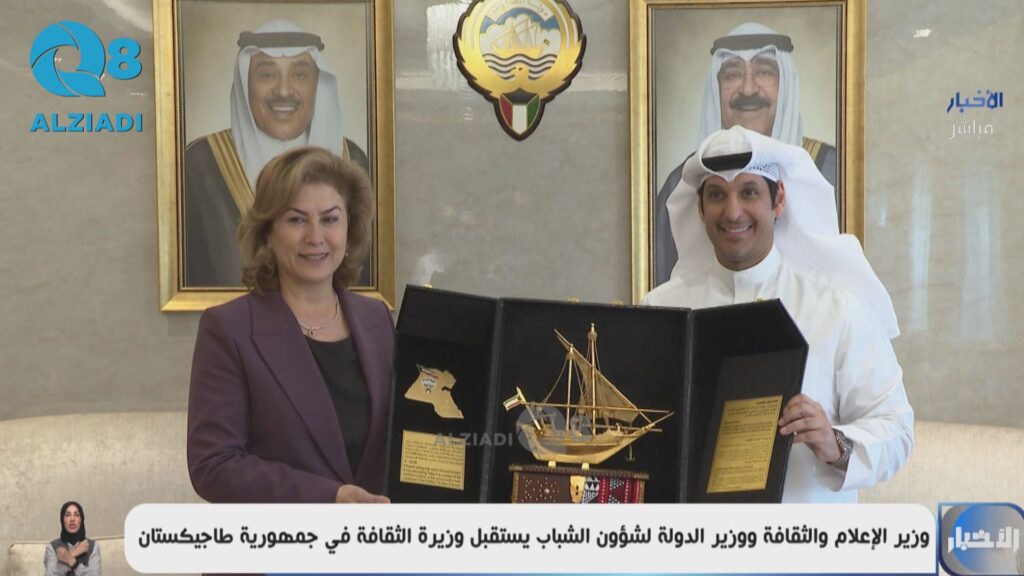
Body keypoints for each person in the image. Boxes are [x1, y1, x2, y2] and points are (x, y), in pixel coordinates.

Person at [644, 125, 913, 503]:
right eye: (717, 194)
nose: (732, 212)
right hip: (695, 538)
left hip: (806, 538)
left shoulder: (837, 307)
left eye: (749, 192)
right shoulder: (661, 311)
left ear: (779, 199)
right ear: (701, 208)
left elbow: (897, 430)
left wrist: (833, 442)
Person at [187, 146, 391, 504]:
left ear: (350, 229)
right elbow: (214, 466)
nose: (315, 237)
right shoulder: (228, 329)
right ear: (268, 232)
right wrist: (328, 498)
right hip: (281, 539)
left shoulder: (378, 319)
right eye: (297, 220)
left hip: (380, 537)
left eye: (330, 219)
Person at [184, 19, 369, 287]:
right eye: (267, 75)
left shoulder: (353, 160)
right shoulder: (201, 163)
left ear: (318, 84)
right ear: (246, 84)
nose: (283, 91)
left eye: (299, 75)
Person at [654, 22, 838, 284]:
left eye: (764, 72)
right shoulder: (681, 182)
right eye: (732, 75)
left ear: (785, 84)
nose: (748, 89)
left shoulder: (832, 169)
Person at [44, 501, 100, 576]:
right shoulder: (52, 547)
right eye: (67, 515)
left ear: (81, 520)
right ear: (62, 520)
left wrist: (73, 563)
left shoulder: (93, 546)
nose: (72, 519)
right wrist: (73, 553)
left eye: (76, 515)